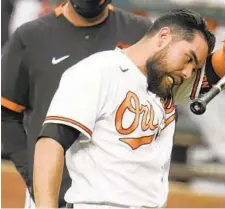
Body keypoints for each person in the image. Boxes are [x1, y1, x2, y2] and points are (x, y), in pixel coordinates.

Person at [33, 9, 225, 208]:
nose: (187, 73)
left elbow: (220, 74)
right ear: (163, 37)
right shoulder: (98, 71)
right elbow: (52, 142)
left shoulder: (166, 84)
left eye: (194, 68)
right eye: (188, 59)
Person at [1, 0, 152, 207]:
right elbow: (6, 114)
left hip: (118, 193)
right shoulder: (30, 37)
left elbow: (163, 105)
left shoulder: (140, 32)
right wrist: (35, 176)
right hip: (51, 191)